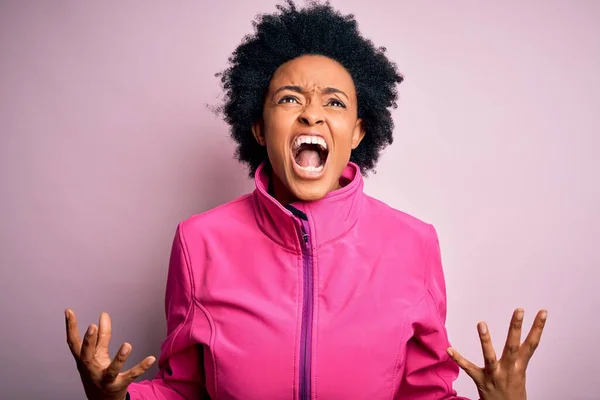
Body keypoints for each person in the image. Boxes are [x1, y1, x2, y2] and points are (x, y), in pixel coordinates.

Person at [65, 1, 547, 399]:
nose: (312, 113)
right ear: (258, 126)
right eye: (290, 99)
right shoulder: (199, 242)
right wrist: (116, 399)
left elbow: (421, 396)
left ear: (358, 131)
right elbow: (184, 390)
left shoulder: (414, 243)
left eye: (334, 102)